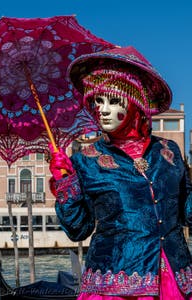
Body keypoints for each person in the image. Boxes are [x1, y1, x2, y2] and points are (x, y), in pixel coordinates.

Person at [49, 46, 192, 300]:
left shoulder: (168, 151)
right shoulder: (86, 160)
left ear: (136, 104)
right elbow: (78, 229)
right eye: (98, 101)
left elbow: (187, 212)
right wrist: (64, 183)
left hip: (176, 278)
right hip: (114, 284)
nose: (102, 109)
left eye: (113, 101)